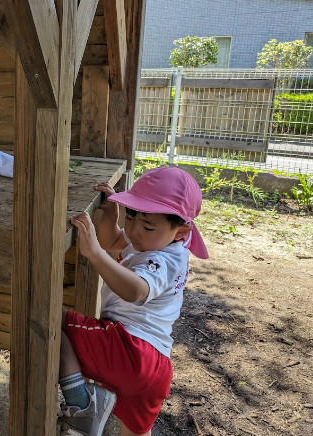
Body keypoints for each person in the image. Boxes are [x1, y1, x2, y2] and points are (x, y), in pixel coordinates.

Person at [61, 166, 209, 436]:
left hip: (130, 349)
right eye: (130, 216)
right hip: (155, 368)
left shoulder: (163, 259)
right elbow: (114, 239)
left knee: (51, 320)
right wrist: (111, 216)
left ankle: (83, 406)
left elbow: (137, 291)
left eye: (147, 225)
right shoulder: (153, 240)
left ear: (180, 231)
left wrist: (94, 254)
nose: (134, 230)